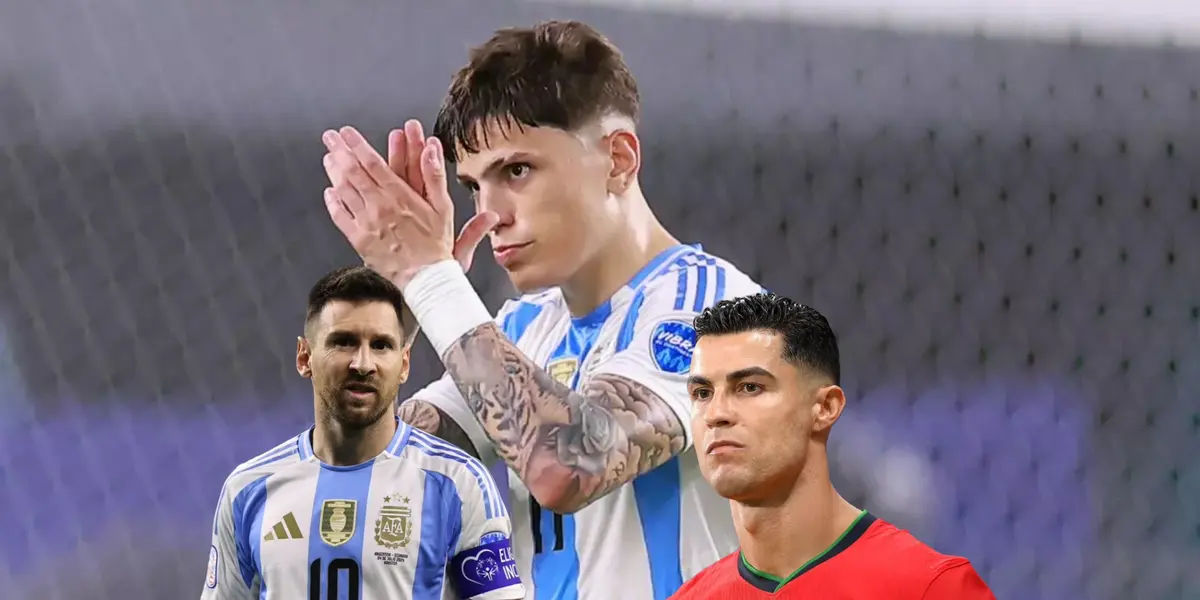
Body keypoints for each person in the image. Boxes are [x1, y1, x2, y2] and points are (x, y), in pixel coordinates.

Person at [317, 20, 763, 600]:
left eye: (517, 171)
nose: (490, 212)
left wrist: (432, 281)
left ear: (619, 160)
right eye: (474, 186)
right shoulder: (525, 328)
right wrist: (408, 306)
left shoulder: (715, 308)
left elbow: (570, 466)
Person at [202, 266, 524, 600]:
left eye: (381, 345)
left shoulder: (459, 483)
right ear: (304, 357)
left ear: (405, 364)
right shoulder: (248, 489)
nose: (363, 363)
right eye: (344, 342)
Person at [670, 293, 996, 599]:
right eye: (702, 393)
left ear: (825, 407)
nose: (716, 414)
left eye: (750, 387)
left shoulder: (930, 588)